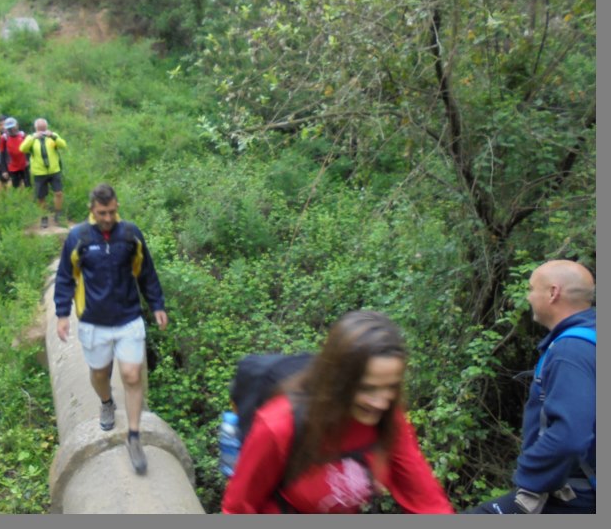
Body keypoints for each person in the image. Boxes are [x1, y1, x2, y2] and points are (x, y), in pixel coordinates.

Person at [222, 310, 454, 514]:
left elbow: (428, 504)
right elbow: (238, 509)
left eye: (391, 387)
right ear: (337, 381)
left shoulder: (388, 421)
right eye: (367, 388)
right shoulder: (280, 425)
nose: (381, 402)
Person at [54, 183, 169, 474]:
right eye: (103, 213)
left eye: (113, 211)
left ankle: (133, 435)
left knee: (131, 375)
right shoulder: (78, 237)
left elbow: (146, 272)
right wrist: (62, 314)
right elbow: (66, 276)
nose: (108, 218)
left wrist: (157, 305)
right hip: (93, 320)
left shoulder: (130, 234)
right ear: (92, 210)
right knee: (100, 374)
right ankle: (106, 402)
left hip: (129, 316)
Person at [467, 260, 595, 514]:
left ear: (552, 293)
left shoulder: (570, 351)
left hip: (574, 494)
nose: (527, 296)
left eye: (531, 288)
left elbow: (570, 435)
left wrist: (529, 481)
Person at [20, 118, 68, 228]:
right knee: (41, 197)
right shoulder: (30, 138)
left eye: (44, 128)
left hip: (54, 170)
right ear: (36, 128)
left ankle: (58, 214)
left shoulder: (53, 136)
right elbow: (22, 149)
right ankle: (44, 217)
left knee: (58, 193)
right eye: (39, 128)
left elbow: (63, 145)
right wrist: (33, 138)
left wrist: (53, 136)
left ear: (47, 127)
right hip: (39, 172)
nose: (42, 130)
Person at [0, 117, 30, 188]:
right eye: (9, 128)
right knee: (16, 187)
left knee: (28, 186)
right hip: (12, 167)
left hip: (24, 165)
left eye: (13, 127)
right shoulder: (4, 138)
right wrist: (4, 170)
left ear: (17, 125)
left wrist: (28, 160)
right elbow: (2, 154)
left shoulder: (23, 135)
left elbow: (29, 149)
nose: (11, 130)